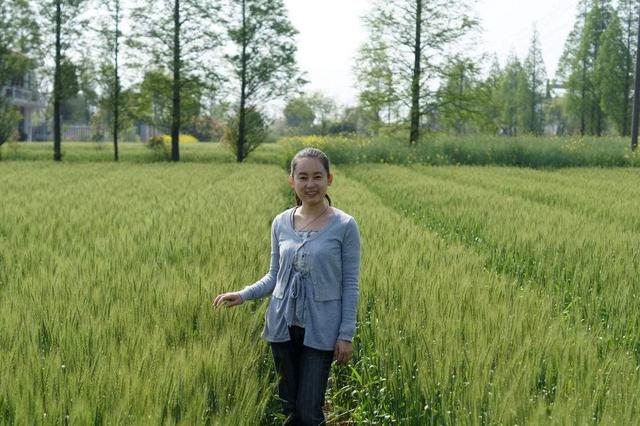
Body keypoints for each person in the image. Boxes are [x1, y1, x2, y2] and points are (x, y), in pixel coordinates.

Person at [213, 147, 361, 425]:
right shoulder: (281, 222)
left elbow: (351, 284)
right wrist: (243, 295)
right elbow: (273, 276)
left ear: (330, 179)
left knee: (309, 410)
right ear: (291, 180)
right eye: (302, 177)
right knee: (290, 407)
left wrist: (346, 334)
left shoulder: (345, 225)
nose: (310, 184)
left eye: (317, 176)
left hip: (321, 330)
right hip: (281, 327)